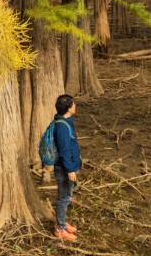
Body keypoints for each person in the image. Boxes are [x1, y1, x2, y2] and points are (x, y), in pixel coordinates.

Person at [53, 93, 81, 241]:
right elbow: (64, 150)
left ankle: (62, 223)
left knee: (66, 196)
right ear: (68, 108)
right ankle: (60, 228)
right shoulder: (62, 127)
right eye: (73, 104)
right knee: (64, 198)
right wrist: (70, 169)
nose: (75, 106)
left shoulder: (65, 120)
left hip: (67, 166)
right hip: (64, 168)